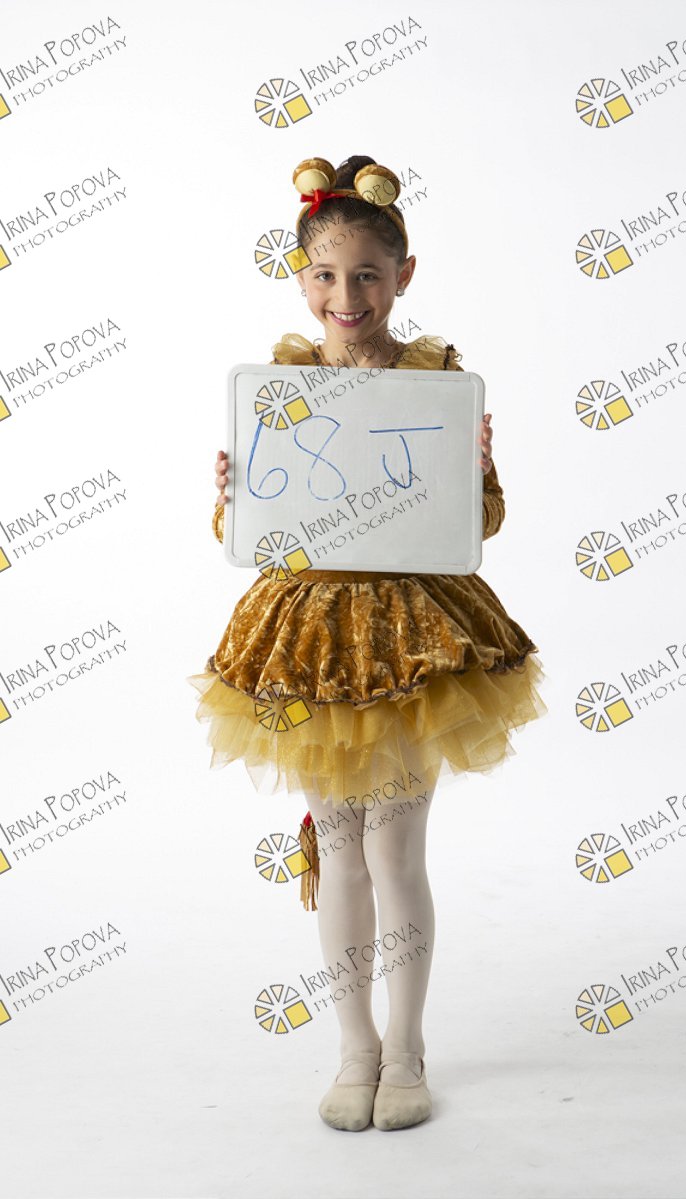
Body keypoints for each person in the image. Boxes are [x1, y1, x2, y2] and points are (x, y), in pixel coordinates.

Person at [187, 154, 548, 1132]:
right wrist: (234, 492)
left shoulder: (434, 381)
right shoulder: (280, 384)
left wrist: (476, 468)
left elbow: (478, 520)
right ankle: (354, 1046)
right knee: (338, 847)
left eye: (366, 275)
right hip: (309, 637)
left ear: (402, 276)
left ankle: (407, 1047)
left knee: (395, 850)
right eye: (324, 274)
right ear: (299, 277)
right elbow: (251, 530)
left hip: (411, 639)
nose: (344, 295)